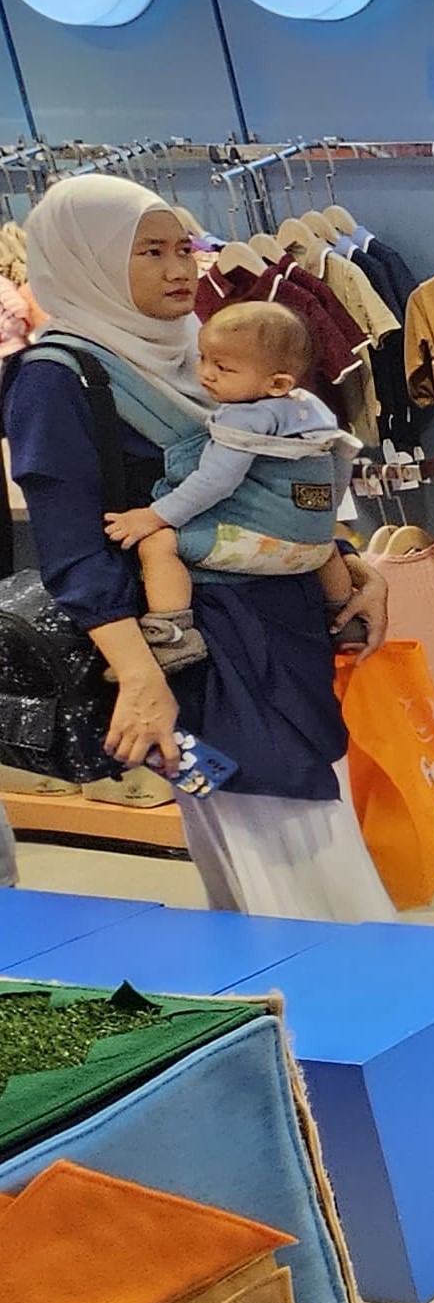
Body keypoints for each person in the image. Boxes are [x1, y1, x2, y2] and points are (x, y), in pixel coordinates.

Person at [5, 175, 395, 915]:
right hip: (189, 645)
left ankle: (315, 975)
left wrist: (344, 561)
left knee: (295, 816)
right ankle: (329, 974)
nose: (178, 269)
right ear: (88, 259)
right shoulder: (56, 379)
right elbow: (72, 550)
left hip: (281, 629)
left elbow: (271, 482)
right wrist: (140, 677)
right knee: (273, 822)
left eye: (182, 248)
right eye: (149, 252)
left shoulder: (201, 350)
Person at [104, 300, 361, 660]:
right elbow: (341, 462)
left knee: (158, 544)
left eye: (222, 367)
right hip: (317, 549)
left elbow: (215, 481)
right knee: (329, 550)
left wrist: (153, 516)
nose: (206, 374)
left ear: (277, 383)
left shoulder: (242, 419)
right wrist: (321, 520)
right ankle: (346, 621)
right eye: (203, 358)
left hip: (268, 544)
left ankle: (172, 636)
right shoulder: (310, 408)